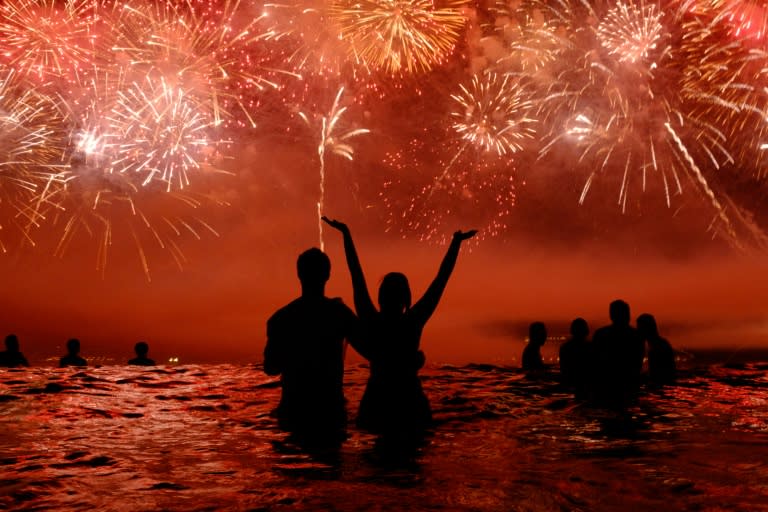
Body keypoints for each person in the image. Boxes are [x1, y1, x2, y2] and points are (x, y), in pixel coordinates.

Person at [323, 216, 476, 436]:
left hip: (377, 400)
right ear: (406, 299)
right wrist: (455, 243)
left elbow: (356, 274)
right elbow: (441, 280)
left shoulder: (371, 318)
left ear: (380, 296)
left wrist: (346, 234)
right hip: (410, 400)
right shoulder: (413, 321)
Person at [264, 247, 363, 442]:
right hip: (329, 411)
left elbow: (270, 368)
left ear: (299, 274)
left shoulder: (280, 319)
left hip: (293, 410)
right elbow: (370, 348)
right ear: (327, 275)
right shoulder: (339, 314)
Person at [590, 300, 645, 407]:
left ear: (611, 315)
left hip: (605, 387)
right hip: (629, 387)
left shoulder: (601, 334)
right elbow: (637, 363)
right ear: (627, 315)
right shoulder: (636, 336)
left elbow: (594, 363)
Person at [637, 313, 676, 386]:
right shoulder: (657, 343)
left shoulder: (657, 346)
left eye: (639, 328)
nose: (638, 331)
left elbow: (656, 375)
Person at [559, 318, 591, 399]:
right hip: (586, 384)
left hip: (568, 382)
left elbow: (563, 369)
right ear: (586, 331)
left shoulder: (565, 347)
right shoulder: (590, 347)